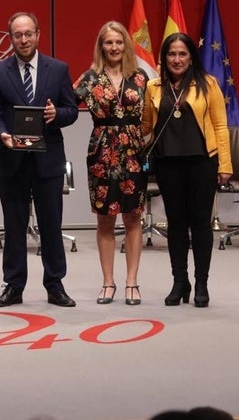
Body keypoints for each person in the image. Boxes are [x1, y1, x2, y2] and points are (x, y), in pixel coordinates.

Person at [0, 11, 78, 307]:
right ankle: (13, 285)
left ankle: (55, 284)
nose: (23, 40)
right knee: (14, 226)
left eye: (28, 34)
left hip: (48, 160)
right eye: (17, 35)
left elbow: (71, 110)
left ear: (38, 34)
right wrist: (1, 135)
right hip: (12, 160)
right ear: (10, 38)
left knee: (51, 224)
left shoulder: (58, 69)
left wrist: (56, 114)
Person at [142, 32, 231, 308]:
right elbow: (146, 127)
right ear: (164, 58)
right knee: (176, 224)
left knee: (200, 224)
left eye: (182, 53)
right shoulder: (154, 87)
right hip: (168, 163)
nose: (177, 59)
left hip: (202, 162)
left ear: (191, 56)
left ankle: (201, 282)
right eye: (171, 54)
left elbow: (220, 126)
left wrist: (225, 164)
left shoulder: (208, 84)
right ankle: (180, 281)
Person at [73, 21, 149, 305]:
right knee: (105, 219)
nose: (114, 47)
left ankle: (132, 282)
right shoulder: (90, 78)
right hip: (101, 154)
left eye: (119, 42)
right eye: (108, 43)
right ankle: (108, 282)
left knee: (133, 216)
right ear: (101, 46)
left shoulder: (141, 77)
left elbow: (153, 113)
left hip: (132, 152)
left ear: (125, 45)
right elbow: (67, 104)